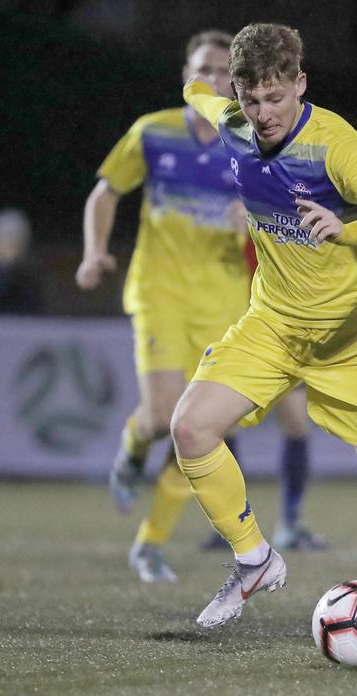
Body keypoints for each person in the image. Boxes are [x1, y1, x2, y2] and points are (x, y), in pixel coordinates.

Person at [175, 22, 357, 657]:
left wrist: (345, 228)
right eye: (252, 100)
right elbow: (196, 93)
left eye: (277, 99)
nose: (264, 115)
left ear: (301, 85)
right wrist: (201, 86)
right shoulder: (233, 121)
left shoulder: (332, 140)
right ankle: (255, 559)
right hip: (276, 325)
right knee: (190, 428)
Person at [76, 29, 322, 585]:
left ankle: (150, 543)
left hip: (225, 301)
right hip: (159, 292)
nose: (209, 80)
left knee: (199, 426)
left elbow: (297, 225)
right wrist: (94, 252)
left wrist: (254, 221)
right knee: (162, 416)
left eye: (220, 73)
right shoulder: (153, 133)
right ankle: (133, 446)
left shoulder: (257, 146)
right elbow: (107, 191)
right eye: (201, 70)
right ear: (187, 77)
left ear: (234, 87)